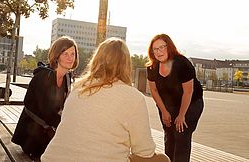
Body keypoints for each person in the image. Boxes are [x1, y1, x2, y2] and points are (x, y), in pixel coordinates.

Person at [42, 37, 170, 162]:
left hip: (52, 158)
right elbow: (145, 151)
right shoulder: (133, 97)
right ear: (126, 64)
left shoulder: (78, 89)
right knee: (162, 159)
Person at [11, 36, 79, 161]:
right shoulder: (43, 76)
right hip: (31, 135)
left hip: (48, 132)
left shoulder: (67, 78)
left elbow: (63, 108)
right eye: (65, 54)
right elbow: (44, 112)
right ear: (57, 55)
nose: (70, 58)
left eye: (73, 54)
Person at [146, 34, 203, 162]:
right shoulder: (152, 67)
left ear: (169, 47)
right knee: (169, 135)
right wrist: (164, 112)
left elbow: (188, 92)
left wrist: (182, 115)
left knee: (181, 134)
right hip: (167, 104)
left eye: (162, 47)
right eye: (155, 49)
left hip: (191, 103)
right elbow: (154, 91)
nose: (159, 51)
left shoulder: (182, 63)